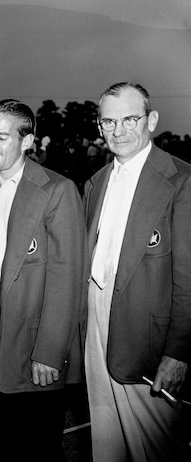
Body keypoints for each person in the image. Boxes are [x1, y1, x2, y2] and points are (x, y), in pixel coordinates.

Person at [0, 99, 87, 461]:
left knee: (36, 444)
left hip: (30, 326)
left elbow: (68, 276)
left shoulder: (57, 189)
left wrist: (50, 351)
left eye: (2, 137)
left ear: (28, 141)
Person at [84, 82, 191, 461]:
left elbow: (188, 279)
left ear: (152, 120)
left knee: (158, 448)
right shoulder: (95, 183)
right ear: (99, 128)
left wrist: (179, 352)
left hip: (149, 338)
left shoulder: (181, 180)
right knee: (107, 445)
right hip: (96, 326)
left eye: (130, 119)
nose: (119, 130)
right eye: (109, 122)